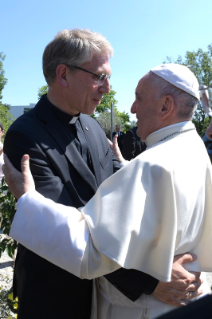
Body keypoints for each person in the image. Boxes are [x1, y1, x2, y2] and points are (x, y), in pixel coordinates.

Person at [2, 31, 197, 319]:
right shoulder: (25, 136)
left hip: (102, 294)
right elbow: (68, 228)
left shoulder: (93, 128)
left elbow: (128, 193)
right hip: (56, 294)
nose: (107, 88)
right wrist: (150, 281)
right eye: (99, 76)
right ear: (64, 74)